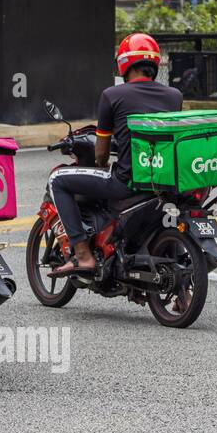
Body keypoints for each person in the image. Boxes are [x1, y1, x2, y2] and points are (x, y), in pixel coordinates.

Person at [47, 33, 183, 278]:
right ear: (153, 63)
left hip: (126, 183)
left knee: (58, 180)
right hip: (164, 182)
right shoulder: (175, 96)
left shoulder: (113, 95)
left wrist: (102, 163)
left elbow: (100, 151)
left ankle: (83, 255)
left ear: (124, 64)